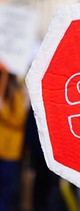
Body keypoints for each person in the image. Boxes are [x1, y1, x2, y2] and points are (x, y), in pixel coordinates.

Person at [0, 63, 29, 211]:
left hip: (10, 151)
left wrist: (3, 110)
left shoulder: (17, 93)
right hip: (3, 149)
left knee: (8, 189)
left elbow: (18, 120)